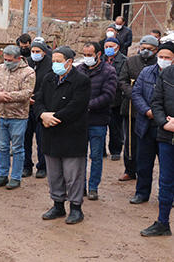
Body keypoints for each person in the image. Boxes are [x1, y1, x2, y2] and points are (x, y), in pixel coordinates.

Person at [35, 46, 91, 225]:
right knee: (54, 174)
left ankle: (76, 208)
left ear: (69, 62)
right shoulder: (48, 78)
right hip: (50, 133)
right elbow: (39, 99)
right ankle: (57, 205)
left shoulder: (81, 80)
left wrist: (54, 118)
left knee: (73, 174)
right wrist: (42, 114)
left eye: (59, 61)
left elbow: (77, 106)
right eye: (54, 61)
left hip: (71, 134)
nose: (55, 65)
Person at [131, 42, 174, 206]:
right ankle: (142, 193)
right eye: (161, 57)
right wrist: (148, 111)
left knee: (168, 165)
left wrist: (162, 118)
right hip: (146, 124)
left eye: (167, 58)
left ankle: (168, 196)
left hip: (168, 127)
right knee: (143, 162)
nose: (163, 60)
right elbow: (136, 94)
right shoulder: (147, 72)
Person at [0, 45, 35, 190]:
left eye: (10, 60)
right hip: (2, 114)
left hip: (18, 116)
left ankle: (15, 177)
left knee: (17, 148)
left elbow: (27, 93)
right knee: (2, 147)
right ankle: (3, 175)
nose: (7, 62)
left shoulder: (28, 72)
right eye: (5, 59)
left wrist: (7, 97)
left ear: (18, 59)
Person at [141, 41, 174, 236]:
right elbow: (157, 101)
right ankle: (163, 223)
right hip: (166, 135)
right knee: (166, 181)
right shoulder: (167, 75)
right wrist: (164, 123)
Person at [78, 42, 117, 201]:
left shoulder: (109, 72)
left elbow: (108, 95)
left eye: (90, 55)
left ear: (98, 55)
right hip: (79, 121)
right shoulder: (79, 70)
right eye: (85, 54)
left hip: (98, 121)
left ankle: (93, 187)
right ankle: (80, 186)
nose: (87, 58)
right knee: (79, 156)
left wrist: (87, 106)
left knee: (95, 156)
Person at [117, 35, 159, 181]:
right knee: (130, 140)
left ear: (156, 50)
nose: (146, 51)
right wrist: (134, 94)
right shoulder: (131, 61)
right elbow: (122, 80)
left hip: (153, 110)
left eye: (150, 49)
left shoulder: (159, 64)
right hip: (132, 108)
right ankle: (130, 169)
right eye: (143, 48)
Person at [23, 39, 52, 178]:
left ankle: (42, 166)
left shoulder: (50, 64)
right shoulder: (26, 63)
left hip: (42, 107)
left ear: (44, 52)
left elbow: (49, 85)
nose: (34, 54)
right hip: (25, 106)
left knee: (42, 139)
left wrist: (37, 98)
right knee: (25, 139)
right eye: (33, 51)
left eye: (37, 51)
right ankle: (26, 166)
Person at [102, 37, 127, 161]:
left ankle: (116, 150)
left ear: (117, 47)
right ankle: (100, 150)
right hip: (100, 99)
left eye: (111, 46)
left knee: (115, 127)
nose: (108, 49)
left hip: (116, 99)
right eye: (106, 47)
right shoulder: (100, 59)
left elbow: (122, 79)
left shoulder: (124, 61)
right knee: (99, 126)